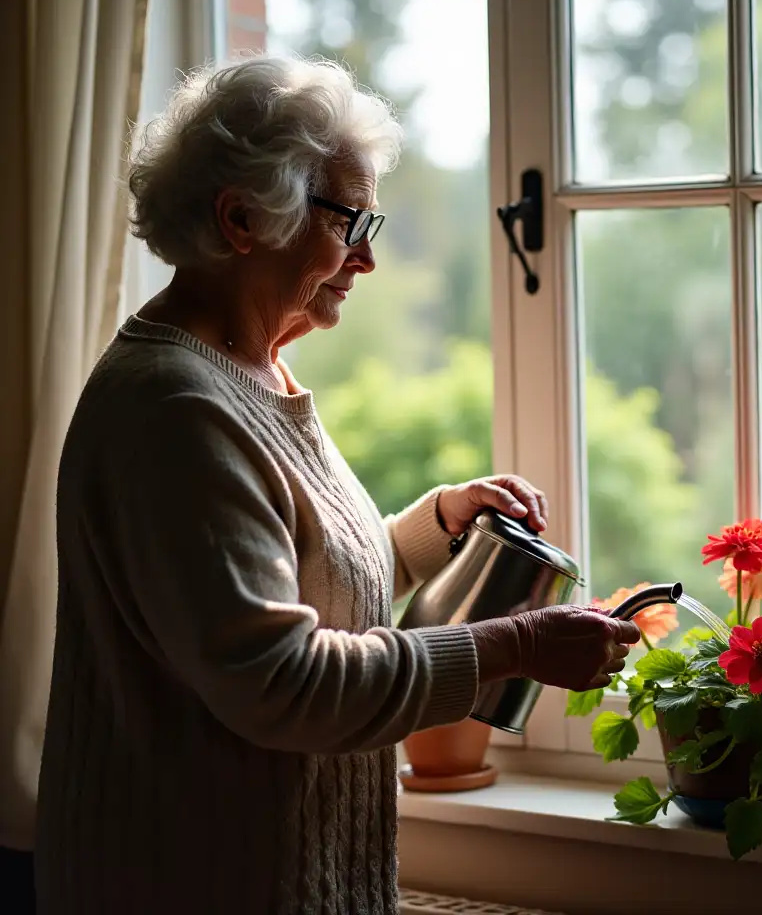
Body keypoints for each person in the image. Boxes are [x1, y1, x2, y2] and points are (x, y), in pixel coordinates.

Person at [34, 55, 640, 915]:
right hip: (187, 880)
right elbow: (284, 683)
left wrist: (437, 525)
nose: (366, 259)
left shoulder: (249, 374)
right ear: (242, 218)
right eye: (348, 221)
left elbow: (299, 591)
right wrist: (516, 647)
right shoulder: (175, 409)